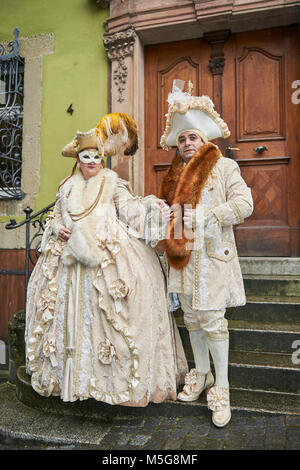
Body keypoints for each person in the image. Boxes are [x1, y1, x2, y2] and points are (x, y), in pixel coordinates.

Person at [25, 112, 188, 406]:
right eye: (85, 157)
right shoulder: (66, 186)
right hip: (68, 259)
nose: (90, 162)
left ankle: (104, 383)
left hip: (105, 257)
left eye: (95, 157)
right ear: (78, 158)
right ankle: (73, 381)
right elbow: (54, 216)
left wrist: (153, 210)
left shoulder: (112, 183)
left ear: (102, 158)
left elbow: (130, 210)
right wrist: (55, 228)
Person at [159, 80, 253, 426]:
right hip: (182, 260)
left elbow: (245, 204)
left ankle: (222, 388)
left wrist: (205, 217)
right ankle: (201, 374)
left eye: (192, 137)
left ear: (205, 140)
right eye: (181, 138)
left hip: (213, 258)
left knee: (213, 321)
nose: (186, 143)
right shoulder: (173, 178)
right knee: (191, 319)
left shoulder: (224, 167)